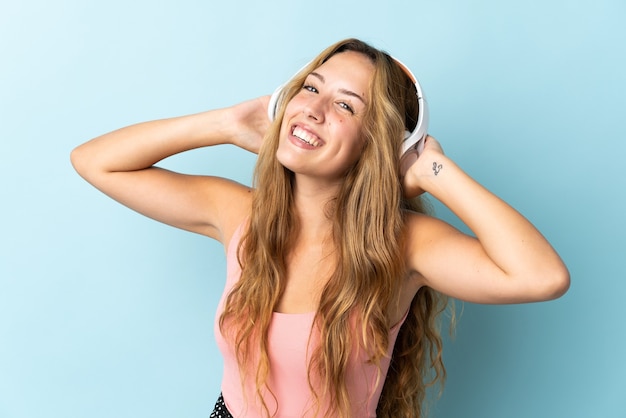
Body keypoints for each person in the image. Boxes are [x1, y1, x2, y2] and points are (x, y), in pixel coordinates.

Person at [70, 38, 569, 418]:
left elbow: (541, 276)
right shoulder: (241, 214)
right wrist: (225, 124)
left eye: (345, 105)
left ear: (379, 146)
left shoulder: (405, 246)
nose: (312, 108)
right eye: (310, 88)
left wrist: (431, 169)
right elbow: (95, 162)